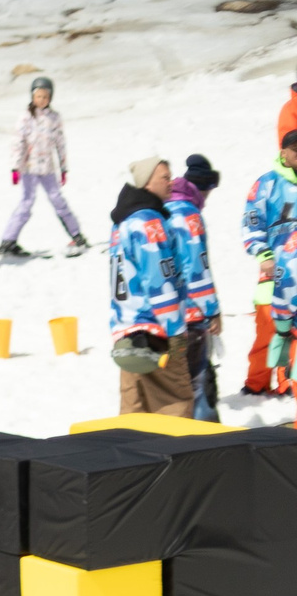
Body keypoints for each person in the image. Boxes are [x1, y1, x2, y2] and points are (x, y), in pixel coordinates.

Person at [111, 156, 191, 416]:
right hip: (156, 333)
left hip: (128, 332)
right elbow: (160, 281)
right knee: (174, 405)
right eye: (165, 178)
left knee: (134, 411)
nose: (172, 183)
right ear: (147, 183)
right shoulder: (149, 222)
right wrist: (175, 331)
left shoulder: (122, 221)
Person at [0, 75, 86, 259]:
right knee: (26, 202)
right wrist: (15, 167)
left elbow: (60, 144)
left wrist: (63, 168)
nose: (41, 100)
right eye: (38, 97)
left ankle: (77, 236)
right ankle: (8, 241)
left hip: (48, 169)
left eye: (45, 97)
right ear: (32, 97)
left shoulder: (54, 118)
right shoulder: (26, 118)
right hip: (29, 168)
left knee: (58, 199)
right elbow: (17, 142)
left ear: (50, 98)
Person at [165, 157, 224, 421]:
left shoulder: (161, 209)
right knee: (198, 385)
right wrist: (212, 311)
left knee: (173, 388)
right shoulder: (189, 215)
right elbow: (196, 270)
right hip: (191, 315)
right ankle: (211, 448)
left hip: (165, 316)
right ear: (203, 188)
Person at [243, 132, 297, 396]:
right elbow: (252, 224)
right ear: (284, 152)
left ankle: (287, 381)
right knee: (268, 329)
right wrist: (263, 254)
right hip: (275, 274)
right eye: (296, 151)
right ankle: (256, 382)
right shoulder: (266, 184)